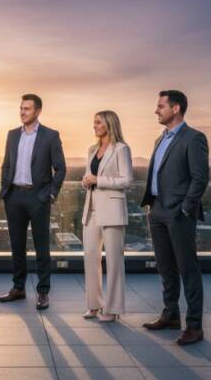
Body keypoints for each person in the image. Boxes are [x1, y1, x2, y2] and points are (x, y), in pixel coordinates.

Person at [140, 90, 210, 346]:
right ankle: (170, 315)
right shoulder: (160, 139)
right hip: (157, 211)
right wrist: (153, 206)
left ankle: (194, 326)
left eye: (160, 106)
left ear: (176, 108)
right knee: (166, 268)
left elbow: (200, 178)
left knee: (187, 269)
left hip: (178, 213)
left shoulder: (194, 138)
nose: (156, 110)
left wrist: (185, 208)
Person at [0, 94, 66, 310]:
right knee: (17, 245)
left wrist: (51, 194)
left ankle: (43, 292)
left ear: (37, 111)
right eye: (21, 108)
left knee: (41, 246)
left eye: (27, 109)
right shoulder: (12, 135)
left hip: (38, 197)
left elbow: (60, 168)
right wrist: (5, 190)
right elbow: (6, 165)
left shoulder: (50, 136)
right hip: (14, 197)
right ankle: (18, 288)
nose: (22, 112)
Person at [81, 110, 131, 322]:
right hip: (91, 209)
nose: (94, 126)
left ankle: (113, 308)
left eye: (98, 122)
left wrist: (97, 181)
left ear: (109, 124)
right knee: (91, 258)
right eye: (93, 122)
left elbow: (126, 180)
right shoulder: (92, 150)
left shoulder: (121, 149)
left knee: (114, 261)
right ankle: (94, 305)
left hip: (112, 211)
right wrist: (86, 180)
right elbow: (90, 176)